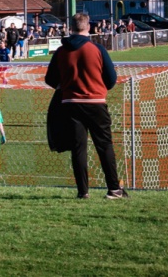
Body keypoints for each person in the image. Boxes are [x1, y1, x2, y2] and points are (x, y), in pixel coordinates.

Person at [45, 13, 127, 199]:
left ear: (70, 27)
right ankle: (114, 189)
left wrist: (65, 86)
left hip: (71, 104)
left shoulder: (61, 51)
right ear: (88, 27)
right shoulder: (96, 49)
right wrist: (97, 88)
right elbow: (112, 79)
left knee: (78, 148)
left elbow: (50, 79)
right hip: (96, 102)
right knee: (104, 145)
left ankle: (83, 192)